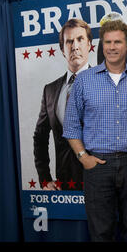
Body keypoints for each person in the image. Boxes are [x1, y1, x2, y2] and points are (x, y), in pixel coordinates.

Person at [63, 19, 127, 242]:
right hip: (97, 167)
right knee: (100, 234)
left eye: (117, 42)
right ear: (102, 46)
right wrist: (83, 157)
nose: (111, 47)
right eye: (107, 42)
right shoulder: (84, 81)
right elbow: (70, 125)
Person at [33, 18, 92, 191]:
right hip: (65, 186)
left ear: (89, 44)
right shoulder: (50, 90)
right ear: (62, 49)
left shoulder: (106, 83)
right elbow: (40, 137)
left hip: (101, 184)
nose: (75, 46)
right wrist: (45, 179)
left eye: (80, 39)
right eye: (69, 41)